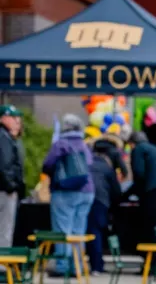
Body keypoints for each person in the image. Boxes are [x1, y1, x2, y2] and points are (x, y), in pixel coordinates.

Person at [42, 114, 95, 277]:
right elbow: (90, 164)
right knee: (78, 230)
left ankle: (62, 266)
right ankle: (77, 266)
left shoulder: (61, 143)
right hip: (87, 191)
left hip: (65, 191)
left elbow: (47, 165)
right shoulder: (84, 145)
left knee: (63, 230)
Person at [0, 105, 24, 250]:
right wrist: (12, 186)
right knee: (4, 230)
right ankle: (1, 267)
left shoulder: (8, 137)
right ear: (3, 118)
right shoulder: (4, 137)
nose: (17, 121)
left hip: (4, 188)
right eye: (13, 117)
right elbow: (4, 165)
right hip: (4, 190)